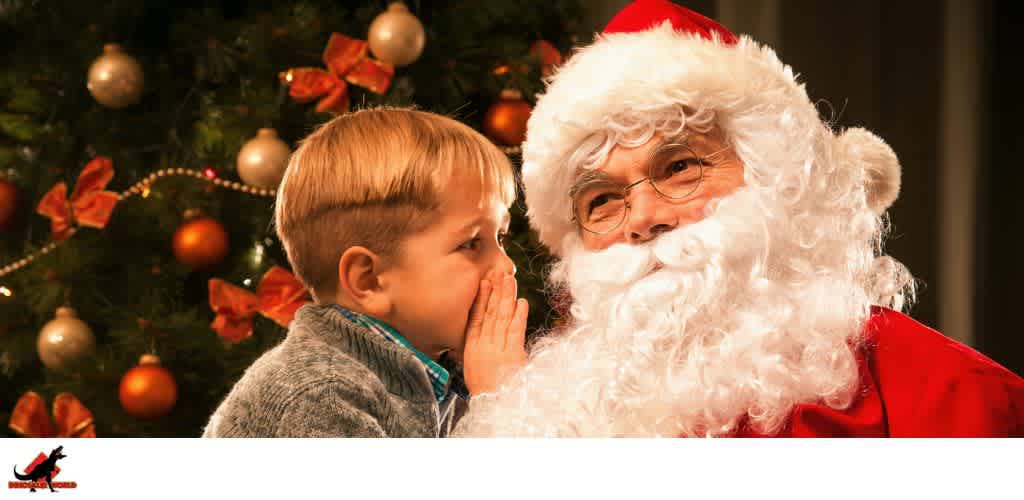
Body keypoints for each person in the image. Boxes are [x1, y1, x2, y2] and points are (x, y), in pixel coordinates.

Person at [453, 0, 1024, 437]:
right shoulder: (549, 407)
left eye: (679, 166)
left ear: (777, 177)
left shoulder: (954, 396)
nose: (644, 219)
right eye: (601, 201)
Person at [202, 107, 528, 437]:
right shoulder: (319, 394)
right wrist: (495, 405)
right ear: (368, 280)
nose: (507, 265)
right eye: (471, 243)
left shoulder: (436, 377)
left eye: (500, 237)